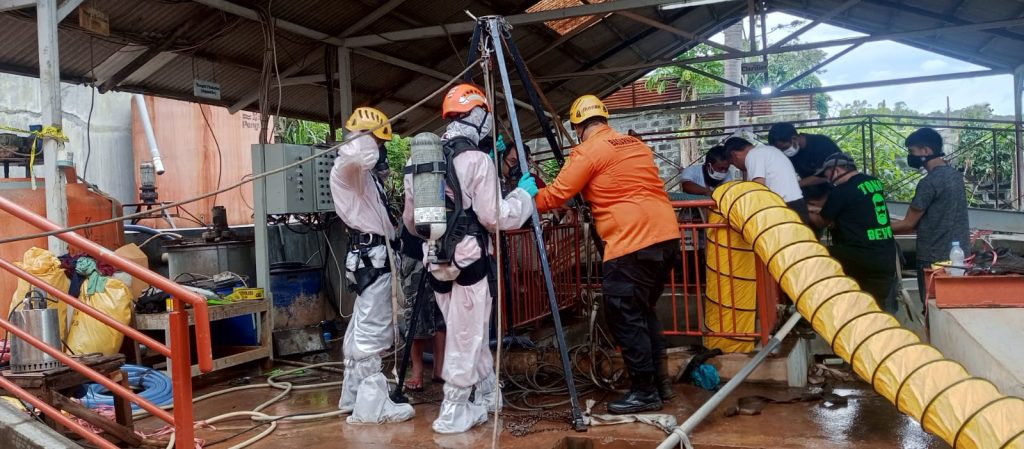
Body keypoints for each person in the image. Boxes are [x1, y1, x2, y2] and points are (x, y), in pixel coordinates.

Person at [532, 94, 681, 414]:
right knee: (644, 312)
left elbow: (557, 195)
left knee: (625, 315)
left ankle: (645, 391)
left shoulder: (588, 151)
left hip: (631, 242)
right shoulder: (633, 144)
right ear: (604, 119)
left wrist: (529, 197)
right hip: (666, 236)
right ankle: (660, 384)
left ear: (577, 126)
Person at [403, 84, 537, 434]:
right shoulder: (476, 160)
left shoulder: (419, 162)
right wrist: (524, 195)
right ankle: (453, 410)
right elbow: (496, 218)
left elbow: (409, 220)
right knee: (467, 336)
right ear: (479, 117)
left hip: (436, 262)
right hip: (470, 262)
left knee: (469, 331)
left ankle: (488, 393)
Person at [331, 107, 414, 424]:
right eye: (378, 143)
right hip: (373, 260)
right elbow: (358, 156)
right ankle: (371, 408)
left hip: (376, 258)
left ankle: (353, 397)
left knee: (359, 332)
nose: (379, 151)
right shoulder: (348, 169)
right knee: (371, 336)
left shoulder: (363, 178)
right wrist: (366, 137)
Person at [806, 153, 899, 312]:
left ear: (836, 170)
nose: (827, 179)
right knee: (876, 311)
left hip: (859, 255)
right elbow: (856, 211)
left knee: (811, 257)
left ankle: (808, 312)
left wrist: (800, 209)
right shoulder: (873, 182)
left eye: (826, 174)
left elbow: (822, 221)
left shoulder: (842, 191)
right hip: (885, 255)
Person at [891, 127, 970, 301]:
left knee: (931, 308)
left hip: (931, 259)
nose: (910, 156)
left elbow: (908, 224)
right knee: (953, 305)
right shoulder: (955, 176)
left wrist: (874, 230)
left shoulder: (929, 183)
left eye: (912, 151)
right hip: (959, 257)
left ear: (926, 151)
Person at [397, 226, 446, 391]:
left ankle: (439, 369)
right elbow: (410, 218)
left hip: (444, 247)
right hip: (416, 251)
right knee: (416, 311)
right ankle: (417, 372)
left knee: (441, 312)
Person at [724, 137, 810, 225]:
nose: (737, 167)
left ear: (734, 155)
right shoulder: (767, 151)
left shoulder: (753, 155)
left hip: (784, 208)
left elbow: (758, 188)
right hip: (797, 205)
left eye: (733, 164)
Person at [768, 123, 841, 186]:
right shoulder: (790, 155)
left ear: (794, 138)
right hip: (813, 193)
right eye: (780, 150)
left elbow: (827, 175)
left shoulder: (821, 143)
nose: (783, 151)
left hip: (836, 187)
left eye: (784, 148)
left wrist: (795, 185)